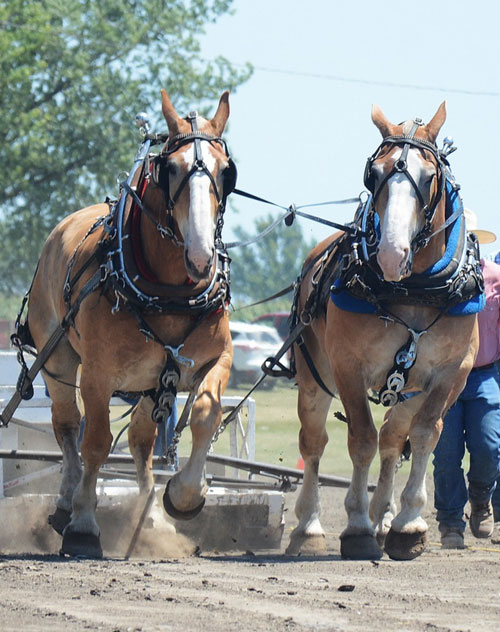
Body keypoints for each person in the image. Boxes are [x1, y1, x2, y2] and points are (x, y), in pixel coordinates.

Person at [433, 209, 500, 549]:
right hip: (444, 377)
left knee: (489, 447)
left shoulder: (496, 277)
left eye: (471, 237)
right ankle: (449, 521)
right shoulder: (435, 279)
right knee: (445, 454)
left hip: (484, 375)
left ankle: (481, 500)